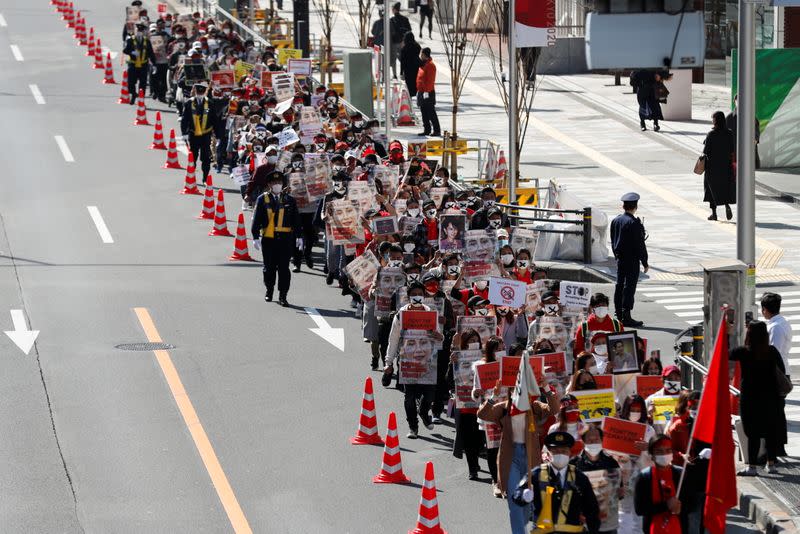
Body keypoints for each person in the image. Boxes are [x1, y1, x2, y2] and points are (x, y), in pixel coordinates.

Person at [478, 377, 559, 533]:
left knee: (526, 503)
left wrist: (546, 388)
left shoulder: (534, 407)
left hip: (531, 458)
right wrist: (494, 396)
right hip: (510, 459)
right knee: (515, 503)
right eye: (516, 390)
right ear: (511, 392)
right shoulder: (503, 408)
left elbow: (554, 409)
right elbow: (482, 414)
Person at [512, 431, 601, 534]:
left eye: (564, 451)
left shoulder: (580, 478)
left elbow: (592, 510)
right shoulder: (535, 475)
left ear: (569, 453)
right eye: (556, 451)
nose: (560, 454)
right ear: (549, 453)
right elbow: (516, 495)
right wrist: (523, 495)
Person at [383, 282, 440, 438]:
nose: (417, 297)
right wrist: (388, 363)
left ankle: (423, 412)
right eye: (413, 294)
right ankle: (413, 427)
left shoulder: (431, 314)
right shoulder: (400, 316)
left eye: (420, 294)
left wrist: (439, 336)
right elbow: (393, 340)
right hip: (407, 364)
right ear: (408, 297)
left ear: (424, 296)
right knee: (409, 398)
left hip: (428, 363)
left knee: (428, 397)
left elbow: (438, 339)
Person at [731, 320, 787, 475]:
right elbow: (781, 370)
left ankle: (753, 467)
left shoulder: (744, 351)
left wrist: (728, 333)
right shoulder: (772, 351)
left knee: (752, 432)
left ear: (749, 334)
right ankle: (771, 464)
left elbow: (727, 354)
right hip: (771, 397)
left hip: (750, 398)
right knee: (771, 430)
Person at [251, 171, 302, 307]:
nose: (277, 185)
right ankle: (269, 290)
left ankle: (283, 295)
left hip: (285, 240)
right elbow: (256, 219)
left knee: (284, 269)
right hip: (268, 239)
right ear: (269, 185)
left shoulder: (290, 200)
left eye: (279, 183)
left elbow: (296, 220)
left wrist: (299, 236)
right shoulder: (262, 199)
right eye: (274, 183)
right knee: (269, 268)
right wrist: (255, 236)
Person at [571, 426, 623, 534]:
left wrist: (619, 492)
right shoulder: (574, 464)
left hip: (608, 524)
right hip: (583, 524)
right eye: (590, 440)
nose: (593, 442)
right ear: (583, 441)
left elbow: (620, 490)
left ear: (602, 440)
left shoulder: (612, 463)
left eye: (596, 439)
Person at [610, 192, 648, 327]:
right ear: (635, 206)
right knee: (629, 287)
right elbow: (640, 244)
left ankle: (618, 313)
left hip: (620, 259)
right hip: (632, 259)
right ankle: (626, 315)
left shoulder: (616, 220)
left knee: (619, 285)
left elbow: (613, 239)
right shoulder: (633, 223)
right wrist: (645, 261)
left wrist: (616, 255)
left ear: (623, 206)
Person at [633, 435, 685, 533]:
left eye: (668, 450)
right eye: (659, 451)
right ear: (651, 455)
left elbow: (692, 503)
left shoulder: (681, 474)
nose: (664, 454)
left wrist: (680, 507)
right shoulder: (644, 477)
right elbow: (640, 510)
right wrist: (666, 505)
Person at [181, 82, 220, 183]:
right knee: (192, 156)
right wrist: (184, 133)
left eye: (202, 92)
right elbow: (185, 119)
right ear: (195, 91)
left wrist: (218, 135)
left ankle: (205, 177)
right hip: (193, 134)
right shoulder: (189, 103)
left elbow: (214, 119)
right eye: (198, 91)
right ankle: (191, 176)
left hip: (205, 135)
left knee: (206, 158)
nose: (200, 94)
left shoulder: (210, 103)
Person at [702, 111, 736, 221]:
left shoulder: (711, 134)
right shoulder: (729, 133)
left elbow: (706, 151)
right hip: (726, 166)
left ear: (715, 121)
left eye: (713, 119)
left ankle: (714, 213)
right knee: (724, 187)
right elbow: (732, 149)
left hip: (712, 167)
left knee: (711, 189)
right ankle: (726, 205)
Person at [123, 21, 155, 105]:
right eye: (138, 30)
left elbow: (151, 53)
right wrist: (132, 52)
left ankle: (141, 99)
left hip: (143, 65)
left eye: (141, 31)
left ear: (143, 32)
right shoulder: (130, 40)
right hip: (133, 64)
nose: (139, 33)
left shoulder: (147, 41)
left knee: (143, 83)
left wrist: (154, 64)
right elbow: (125, 50)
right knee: (131, 82)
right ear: (135, 31)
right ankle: (133, 94)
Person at [726, 94, 761, 169]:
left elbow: (756, 132)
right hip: (734, 152)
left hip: (747, 152)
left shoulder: (751, 117)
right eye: (738, 100)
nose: (740, 102)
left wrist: (754, 141)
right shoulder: (729, 118)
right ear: (734, 101)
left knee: (747, 174)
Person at [761, 292, 792, 375]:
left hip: (777, 373)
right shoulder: (782, 322)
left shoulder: (775, 327)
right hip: (780, 370)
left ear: (764, 309)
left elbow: (774, 352)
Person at [416, 47, 441, 137]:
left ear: (424, 55)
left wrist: (426, 92)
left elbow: (430, 80)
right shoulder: (423, 64)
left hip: (428, 92)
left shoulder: (430, 65)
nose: (420, 55)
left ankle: (437, 130)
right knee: (424, 112)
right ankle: (427, 129)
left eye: (421, 54)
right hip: (422, 91)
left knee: (430, 112)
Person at [389, 2, 412, 79]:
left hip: (394, 43)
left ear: (395, 10)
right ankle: (403, 74)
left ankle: (395, 75)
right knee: (403, 59)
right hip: (403, 43)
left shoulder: (391, 20)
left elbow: (390, 32)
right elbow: (409, 31)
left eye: (392, 9)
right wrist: (404, 41)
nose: (392, 10)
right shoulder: (405, 19)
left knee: (394, 59)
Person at [399, 31, 421, 97]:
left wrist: (401, 72)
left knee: (409, 84)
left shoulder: (404, 49)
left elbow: (402, 62)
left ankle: (410, 97)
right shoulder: (417, 46)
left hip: (407, 69)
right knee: (415, 82)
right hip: (415, 68)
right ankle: (415, 94)